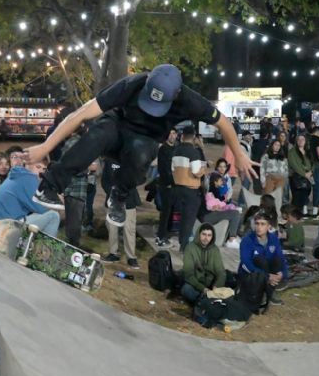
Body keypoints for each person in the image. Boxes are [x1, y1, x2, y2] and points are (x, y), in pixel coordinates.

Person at [24, 64, 257, 228]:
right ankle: (50, 185)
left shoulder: (191, 101)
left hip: (144, 140)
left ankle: (119, 195)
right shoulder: (130, 85)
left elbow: (224, 123)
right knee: (97, 134)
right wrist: (46, 147)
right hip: (116, 128)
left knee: (141, 150)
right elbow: (79, 115)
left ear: (175, 95)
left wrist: (239, 154)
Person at [0, 159, 60, 237]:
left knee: (41, 215)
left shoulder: (17, 174)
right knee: (53, 215)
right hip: (3, 232)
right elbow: (42, 209)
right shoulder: (29, 178)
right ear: (27, 165)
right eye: (38, 167)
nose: (41, 171)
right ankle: (46, 248)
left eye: (44, 169)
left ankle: (34, 245)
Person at [238, 209, 289, 306]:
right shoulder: (247, 240)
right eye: (257, 224)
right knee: (260, 259)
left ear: (269, 226)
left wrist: (282, 273)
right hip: (250, 275)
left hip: (267, 273)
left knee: (277, 260)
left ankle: (270, 293)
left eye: (262, 224)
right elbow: (245, 263)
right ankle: (260, 294)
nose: (259, 227)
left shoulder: (273, 239)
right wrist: (266, 276)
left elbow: (281, 257)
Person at [101, 158, 141, 269]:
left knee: (129, 229)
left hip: (129, 201)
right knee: (112, 228)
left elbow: (136, 180)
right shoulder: (110, 161)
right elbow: (104, 181)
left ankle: (131, 257)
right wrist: (113, 193)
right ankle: (113, 253)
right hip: (113, 201)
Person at [171, 125, 206, 251]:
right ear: (194, 137)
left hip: (178, 188)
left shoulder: (176, 150)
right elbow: (196, 171)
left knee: (182, 217)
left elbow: (172, 169)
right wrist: (204, 167)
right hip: (191, 189)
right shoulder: (194, 152)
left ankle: (182, 241)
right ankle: (184, 246)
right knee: (188, 218)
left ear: (182, 136)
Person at [180, 223, 226, 303]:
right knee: (186, 290)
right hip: (196, 284)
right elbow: (188, 274)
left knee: (227, 281)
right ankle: (205, 301)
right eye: (204, 234)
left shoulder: (214, 250)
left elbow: (221, 272)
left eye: (209, 235)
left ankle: (206, 301)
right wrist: (203, 289)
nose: (206, 238)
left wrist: (216, 287)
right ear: (199, 234)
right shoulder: (190, 248)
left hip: (211, 284)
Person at [61, 133, 90, 247]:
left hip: (74, 190)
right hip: (75, 190)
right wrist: (87, 170)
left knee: (73, 222)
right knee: (74, 223)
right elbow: (70, 166)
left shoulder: (74, 142)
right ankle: (73, 250)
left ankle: (72, 247)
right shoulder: (76, 143)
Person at [202, 172, 242, 248]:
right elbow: (207, 203)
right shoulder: (210, 191)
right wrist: (213, 207)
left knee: (237, 213)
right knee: (235, 213)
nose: (222, 182)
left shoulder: (209, 190)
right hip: (208, 215)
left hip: (210, 213)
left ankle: (233, 237)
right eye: (220, 181)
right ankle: (231, 240)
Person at [155, 128, 178, 248]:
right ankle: (160, 236)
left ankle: (165, 234)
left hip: (175, 185)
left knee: (170, 211)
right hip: (166, 185)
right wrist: (169, 181)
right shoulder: (163, 149)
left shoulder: (177, 149)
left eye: (174, 133)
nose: (172, 136)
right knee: (165, 212)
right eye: (170, 133)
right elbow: (163, 169)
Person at [260, 139, 289, 218]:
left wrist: (285, 176)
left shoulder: (283, 157)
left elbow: (286, 168)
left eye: (278, 145)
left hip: (281, 179)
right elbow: (262, 168)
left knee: (278, 197)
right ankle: (265, 213)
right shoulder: (266, 156)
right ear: (272, 145)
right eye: (275, 145)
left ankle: (276, 214)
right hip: (270, 177)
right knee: (267, 196)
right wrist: (263, 181)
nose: (277, 147)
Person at [287, 134, 313, 215]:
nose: (301, 141)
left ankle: (300, 213)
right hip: (296, 177)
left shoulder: (309, 151)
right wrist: (304, 174)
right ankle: (293, 214)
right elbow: (294, 165)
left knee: (305, 195)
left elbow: (314, 163)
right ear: (296, 141)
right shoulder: (292, 152)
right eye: (299, 139)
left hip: (308, 177)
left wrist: (311, 171)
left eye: (303, 139)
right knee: (296, 197)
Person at [308, 126, 319, 218]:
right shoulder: (317, 139)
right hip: (315, 166)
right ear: (318, 132)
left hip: (306, 166)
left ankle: (304, 209)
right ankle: (315, 211)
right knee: (317, 188)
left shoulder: (307, 138)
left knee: (306, 187)